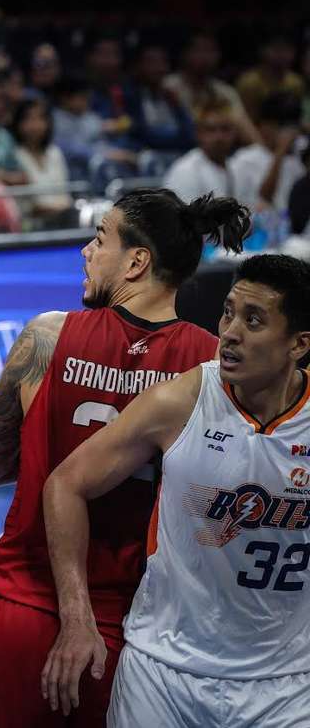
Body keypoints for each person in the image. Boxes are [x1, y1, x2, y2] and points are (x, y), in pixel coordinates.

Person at [0, 188, 248, 727]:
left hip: (26, 600)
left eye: (99, 239)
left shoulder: (47, 336)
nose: (85, 253)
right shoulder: (209, 365)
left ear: (137, 261)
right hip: (141, 623)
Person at [42, 253, 310, 726]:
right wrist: (76, 617)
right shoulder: (181, 400)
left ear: (299, 344)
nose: (229, 332)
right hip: (163, 673)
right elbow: (65, 484)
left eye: (254, 321)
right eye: (228, 312)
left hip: (286, 685)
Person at [164, 32, 259, 145]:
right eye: (199, 50)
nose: (205, 57)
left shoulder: (225, 92)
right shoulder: (167, 86)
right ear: (185, 54)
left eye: (211, 51)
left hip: (220, 149)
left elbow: (244, 129)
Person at [229, 92, 306, 213]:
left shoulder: (302, 151)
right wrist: (280, 151)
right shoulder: (244, 160)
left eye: (293, 126)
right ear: (264, 126)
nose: (289, 133)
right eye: (281, 126)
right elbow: (265, 198)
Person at [12, 98, 73, 225]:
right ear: (18, 123)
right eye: (28, 119)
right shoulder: (14, 155)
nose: (35, 125)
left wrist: (67, 209)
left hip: (63, 218)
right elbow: (30, 207)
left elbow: (65, 193)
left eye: (40, 118)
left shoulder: (54, 152)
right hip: (29, 224)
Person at [163, 102, 237, 204]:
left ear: (234, 132)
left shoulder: (235, 165)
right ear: (198, 133)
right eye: (211, 130)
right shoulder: (185, 171)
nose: (219, 137)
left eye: (225, 129)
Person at [235, 33, 305, 124]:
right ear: (262, 51)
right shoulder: (249, 82)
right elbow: (245, 119)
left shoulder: (296, 82)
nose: (282, 55)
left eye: (287, 50)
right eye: (276, 49)